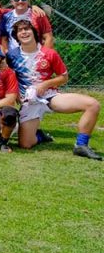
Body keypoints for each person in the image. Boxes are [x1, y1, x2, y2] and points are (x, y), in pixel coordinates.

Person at [6, 20, 101, 160]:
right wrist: (15, 94)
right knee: (25, 144)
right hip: (29, 101)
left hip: (50, 96)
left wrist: (45, 84)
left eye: (27, 29)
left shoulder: (49, 53)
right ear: (16, 36)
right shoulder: (11, 56)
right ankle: (39, 136)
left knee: (92, 104)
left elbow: (64, 77)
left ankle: (81, 145)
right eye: (20, 30)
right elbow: (7, 76)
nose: (24, 32)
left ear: (34, 33)